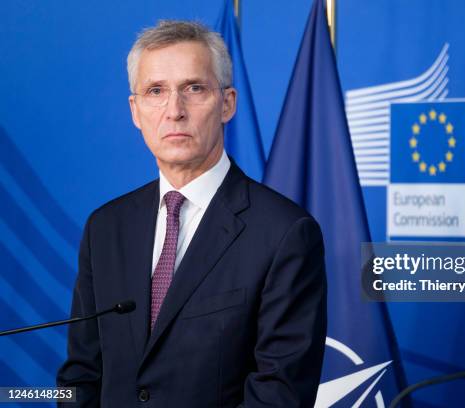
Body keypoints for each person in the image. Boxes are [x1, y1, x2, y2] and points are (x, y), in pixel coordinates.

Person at [57, 20, 327, 407]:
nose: (174, 111)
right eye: (156, 91)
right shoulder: (106, 227)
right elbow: (80, 376)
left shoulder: (285, 233)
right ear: (136, 110)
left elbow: (279, 393)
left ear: (227, 103)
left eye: (194, 88)